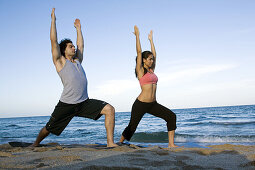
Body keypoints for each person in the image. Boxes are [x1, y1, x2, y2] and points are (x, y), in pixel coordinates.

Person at [31, 8, 118, 147]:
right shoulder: (60, 62)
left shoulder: (77, 61)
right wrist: (53, 20)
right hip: (67, 104)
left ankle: (110, 143)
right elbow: (53, 41)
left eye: (73, 46)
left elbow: (81, 45)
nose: (74, 48)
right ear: (63, 50)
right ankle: (35, 144)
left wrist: (78, 29)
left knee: (109, 109)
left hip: (84, 102)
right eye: (70, 47)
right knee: (49, 128)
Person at [119, 26, 178, 148]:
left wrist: (151, 40)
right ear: (144, 60)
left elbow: (155, 54)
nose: (152, 61)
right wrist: (137, 36)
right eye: (149, 59)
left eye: (152, 59)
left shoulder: (152, 70)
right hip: (140, 104)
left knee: (171, 116)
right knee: (132, 126)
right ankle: (120, 142)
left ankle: (171, 144)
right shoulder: (140, 70)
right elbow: (139, 52)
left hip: (153, 104)